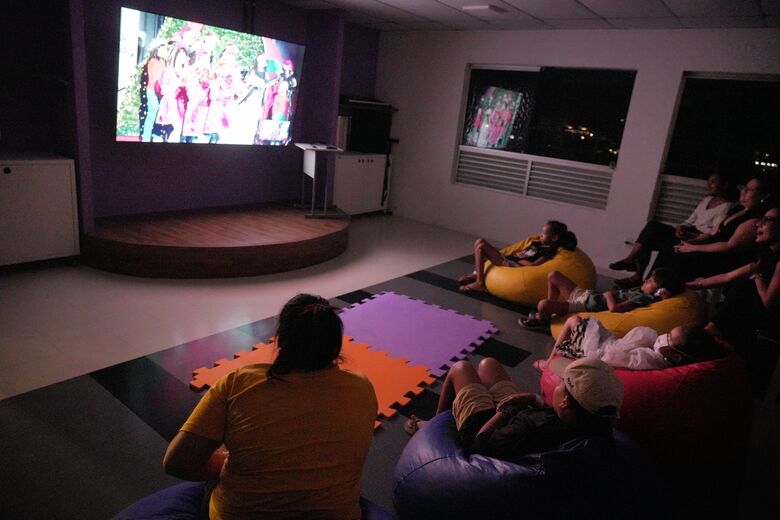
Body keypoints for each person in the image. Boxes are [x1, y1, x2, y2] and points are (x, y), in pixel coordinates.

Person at [163, 294, 378, 520]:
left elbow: (177, 463)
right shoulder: (362, 387)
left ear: (280, 340)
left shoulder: (237, 383)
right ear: (335, 346)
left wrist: (223, 462)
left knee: (210, 482)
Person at [404, 357, 622, 462]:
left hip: (486, 427)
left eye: (560, 384)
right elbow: (563, 415)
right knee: (488, 364)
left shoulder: (532, 428)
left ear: (564, 401)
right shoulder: (592, 421)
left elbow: (481, 441)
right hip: (519, 416)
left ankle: (432, 428)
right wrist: (532, 399)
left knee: (460, 368)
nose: (556, 384)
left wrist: (504, 411)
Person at [609, 173, 736, 287]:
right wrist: (680, 227)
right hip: (686, 231)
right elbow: (690, 220)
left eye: (713, 182)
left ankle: (650, 282)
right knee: (653, 227)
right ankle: (633, 263)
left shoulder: (726, 207)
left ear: (724, 185)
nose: (709, 185)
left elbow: (711, 234)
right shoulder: (707, 199)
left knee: (669, 242)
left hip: (698, 238)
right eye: (708, 181)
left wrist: (689, 235)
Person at [687, 206, 780, 352]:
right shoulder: (766, 257)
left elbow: (768, 302)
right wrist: (687, 286)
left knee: (745, 284)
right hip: (750, 312)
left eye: (766, 220)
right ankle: (711, 329)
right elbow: (726, 277)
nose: (758, 224)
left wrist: (757, 277)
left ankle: (712, 330)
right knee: (741, 281)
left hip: (772, 319)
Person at [662, 175, 771, 282]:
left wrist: (694, 248)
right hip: (710, 247)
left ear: (763, 196)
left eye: (751, 189)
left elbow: (729, 246)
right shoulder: (738, 209)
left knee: (684, 258)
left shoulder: (755, 219)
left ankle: (671, 291)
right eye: (745, 187)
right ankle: (655, 285)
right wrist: (690, 242)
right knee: (673, 245)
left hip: (723, 258)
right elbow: (712, 233)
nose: (744, 190)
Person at [532, 315, 724, 372]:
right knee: (582, 322)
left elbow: (611, 356)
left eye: (669, 337)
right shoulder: (662, 358)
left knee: (574, 320)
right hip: (609, 349)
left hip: (596, 356)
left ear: (676, 354)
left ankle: (549, 363)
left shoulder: (651, 360)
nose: (664, 336)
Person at [518, 267, 683, 329]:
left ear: (660, 290)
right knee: (553, 275)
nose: (647, 280)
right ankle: (552, 312)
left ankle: (544, 317)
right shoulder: (641, 289)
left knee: (542, 304)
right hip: (588, 295)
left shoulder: (644, 298)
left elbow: (614, 308)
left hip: (587, 305)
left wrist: (609, 294)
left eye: (652, 281)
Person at [459, 220, 578, 293]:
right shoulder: (537, 242)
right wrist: (518, 254)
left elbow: (534, 265)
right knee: (479, 242)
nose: (540, 235)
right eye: (541, 232)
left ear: (555, 238)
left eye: (544, 233)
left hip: (513, 264)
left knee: (481, 246)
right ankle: (475, 274)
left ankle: (479, 282)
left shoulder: (549, 250)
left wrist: (521, 259)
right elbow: (522, 250)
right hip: (509, 258)